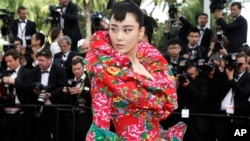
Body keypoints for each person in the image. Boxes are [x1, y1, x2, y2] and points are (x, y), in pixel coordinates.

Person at [85, 1, 177, 140]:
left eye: (127, 30)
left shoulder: (153, 64)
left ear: (141, 33)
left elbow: (164, 107)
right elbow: (100, 125)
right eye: (114, 29)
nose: (119, 37)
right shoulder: (105, 72)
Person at [32, 49, 67, 141]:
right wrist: (35, 91)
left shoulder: (59, 70)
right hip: (40, 108)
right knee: (42, 134)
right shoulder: (35, 70)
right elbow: (31, 85)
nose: (39, 62)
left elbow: (62, 86)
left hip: (56, 108)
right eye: (38, 60)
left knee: (59, 134)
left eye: (42, 60)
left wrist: (51, 94)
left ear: (49, 60)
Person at [0, 49, 35, 141]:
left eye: (10, 61)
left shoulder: (28, 72)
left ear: (17, 59)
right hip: (6, 114)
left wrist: (14, 82)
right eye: (6, 62)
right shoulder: (4, 74)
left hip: (22, 114)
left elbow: (30, 88)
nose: (8, 64)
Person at [61, 57, 92, 141]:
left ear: (83, 68)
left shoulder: (90, 80)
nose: (76, 71)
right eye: (74, 69)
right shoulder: (70, 81)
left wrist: (80, 92)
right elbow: (66, 100)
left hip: (86, 115)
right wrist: (65, 92)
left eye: (78, 68)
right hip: (73, 115)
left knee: (85, 137)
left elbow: (93, 97)